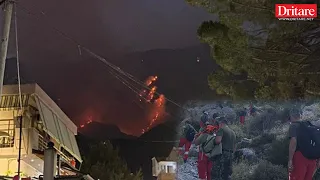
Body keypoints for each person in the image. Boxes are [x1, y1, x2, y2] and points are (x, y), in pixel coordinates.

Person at [288, 108, 320, 180]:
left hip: (299, 157)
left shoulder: (294, 126)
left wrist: (290, 160)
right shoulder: (309, 125)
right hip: (313, 158)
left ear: (291, 116)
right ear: (300, 116)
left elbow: (293, 142)